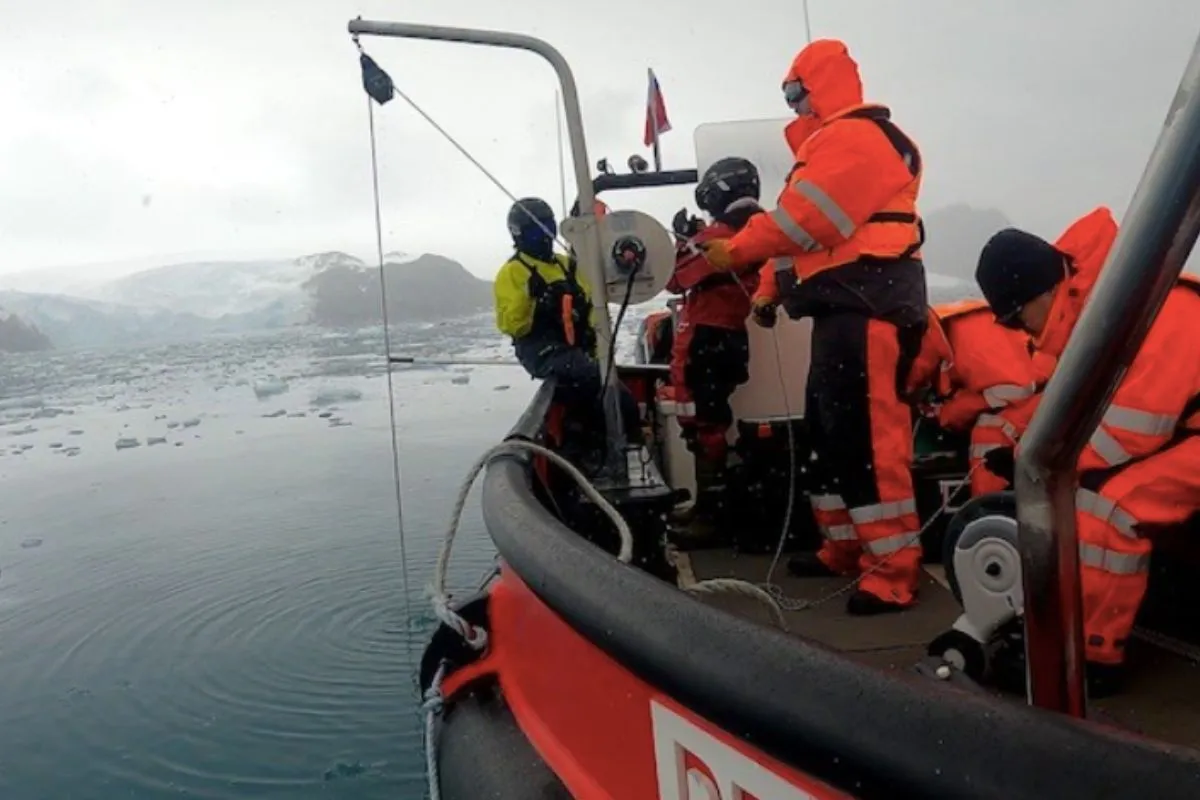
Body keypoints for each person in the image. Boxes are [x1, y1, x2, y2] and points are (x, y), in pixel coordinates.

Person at [701, 39, 928, 615]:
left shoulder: (857, 139)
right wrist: (771, 292)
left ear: (819, 87)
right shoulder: (825, 149)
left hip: (871, 309)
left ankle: (893, 573)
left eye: (797, 93)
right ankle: (844, 548)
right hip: (839, 313)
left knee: (871, 444)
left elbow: (808, 221)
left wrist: (739, 249)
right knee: (828, 437)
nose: (794, 105)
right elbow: (803, 243)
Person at [974, 204, 1200, 695]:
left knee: (1108, 504)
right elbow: (1064, 407)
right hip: (1188, 433)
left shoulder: (1154, 308)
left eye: (1015, 318)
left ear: (1042, 292)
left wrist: (1034, 467)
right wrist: (1019, 449)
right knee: (1089, 487)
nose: (1019, 332)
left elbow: (1128, 432)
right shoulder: (1102, 311)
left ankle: (1091, 655)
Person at [493, 197, 642, 451]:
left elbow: (592, 308)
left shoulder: (567, 265)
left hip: (579, 348)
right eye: (534, 231)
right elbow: (512, 325)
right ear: (519, 235)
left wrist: (598, 349)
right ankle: (602, 444)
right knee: (592, 382)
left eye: (547, 228)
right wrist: (532, 298)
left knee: (609, 391)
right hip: (543, 350)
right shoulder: (513, 272)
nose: (542, 236)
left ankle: (624, 444)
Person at [664, 157, 763, 476]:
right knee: (716, 410)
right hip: (736, 337)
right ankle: (734, 478)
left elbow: (674, 280)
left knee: (700, 417)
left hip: (706, 339)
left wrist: (683, 241)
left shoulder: (712, 239)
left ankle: (714, 495)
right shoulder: (767, 231)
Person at [906, 299, 1041, 496]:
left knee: (990, 431)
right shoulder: (951, 330)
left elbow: (1015, 388)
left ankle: (991, 510)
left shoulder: (971, 335)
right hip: (1038, 397)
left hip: (1041, 404)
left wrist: (949, 413)